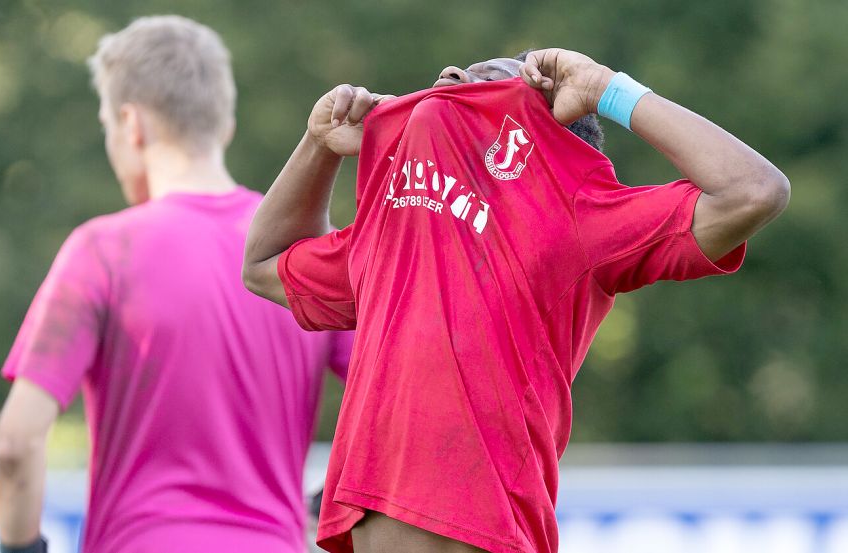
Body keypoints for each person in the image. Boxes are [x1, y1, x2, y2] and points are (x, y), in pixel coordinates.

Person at [242, 48, 789, 553]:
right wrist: (317, 147)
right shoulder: (393, 231)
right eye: (455, 77)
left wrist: (606, 88)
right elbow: (265, 266)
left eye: (485, 85)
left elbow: (754, 191)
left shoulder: (578, 213)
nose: (452, 78)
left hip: (480, 523)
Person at [0, 16, 352, 553]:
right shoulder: (305, 253)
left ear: (130, 125)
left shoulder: (103, 253)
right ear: (224, 124)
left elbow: (16, 445)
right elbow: (408, 399)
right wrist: (331, 501)